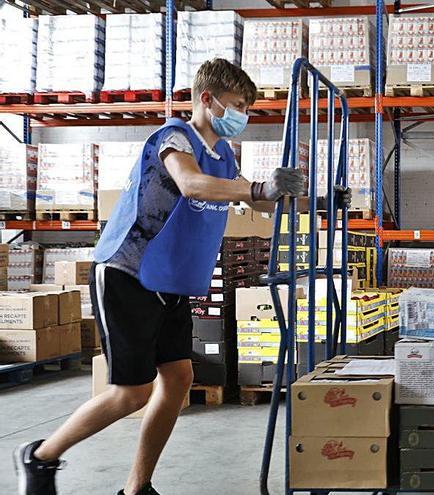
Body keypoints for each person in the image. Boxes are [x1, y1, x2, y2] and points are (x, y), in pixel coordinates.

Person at [13, 58, 350, 495]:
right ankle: (39, 458)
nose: (241, 116)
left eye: (246, 107)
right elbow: (192, 184)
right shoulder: (174, 136)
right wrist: (261, 189)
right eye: (235, 105)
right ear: (207, 100)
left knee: (178, 379)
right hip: (129, 272)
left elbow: (262, 203)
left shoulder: (223, 155)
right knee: (131, 393)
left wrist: (319, 201)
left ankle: (137, 488)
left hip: (171, 280)